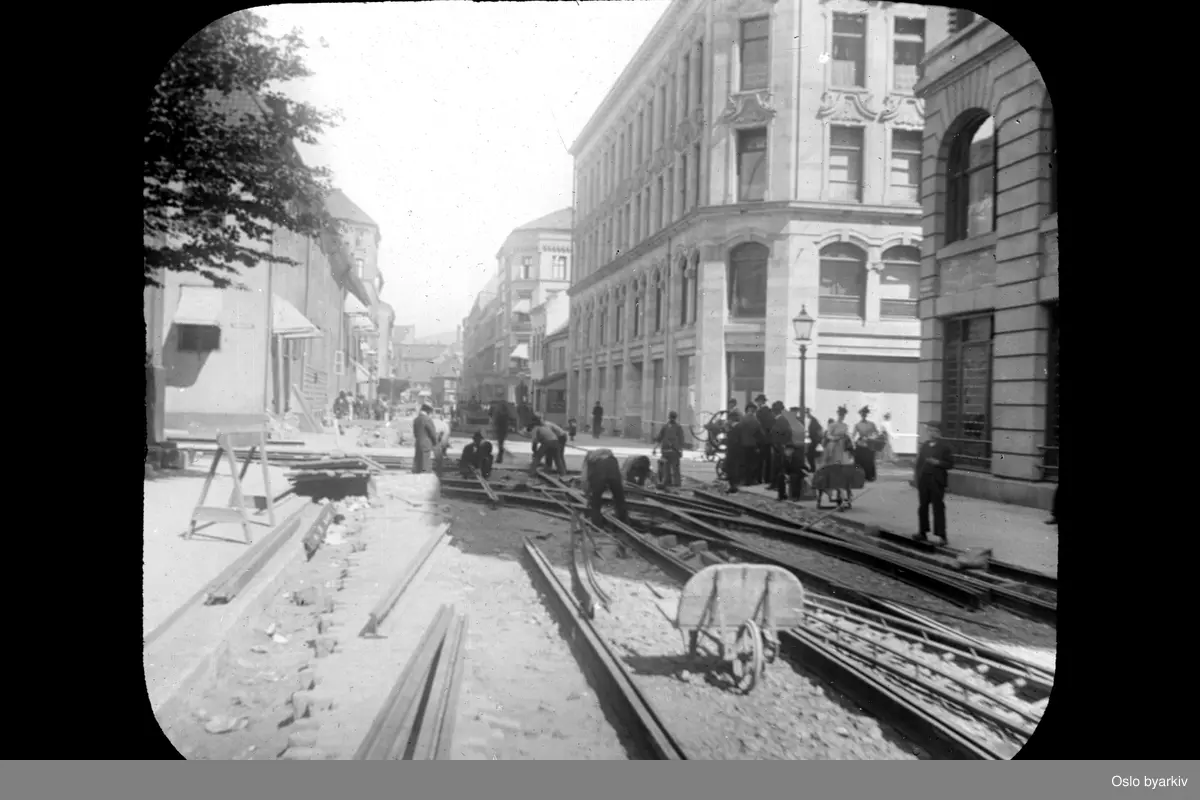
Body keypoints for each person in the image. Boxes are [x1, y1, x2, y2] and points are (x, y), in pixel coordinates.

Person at [915, 421, 955, 544]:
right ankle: (922, 532)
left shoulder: (945, 446)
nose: (931, 433)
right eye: (930, 430)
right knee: (923, 507)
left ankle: (942, 536)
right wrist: (917, 478)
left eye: (934, 430)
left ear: (939, 432)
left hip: (937, 481)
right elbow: (919, 463)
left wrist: (938, 463)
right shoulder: (925, 445)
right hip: (924, 480)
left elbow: (950, 464)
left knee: (938, 507)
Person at [580, 448, 630, 526]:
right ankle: (624, 521)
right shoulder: (612, 458)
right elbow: (620, 475)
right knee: (619, 499)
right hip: (614, 474)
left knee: (595, 500)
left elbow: (584, 477)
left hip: (599, 475)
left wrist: (587, 492)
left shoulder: (590, 460)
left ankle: (596, 523)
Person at [822, 406, 854, 508]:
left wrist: (844, 440)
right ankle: (835, 492)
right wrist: (835, 438)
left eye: (843, 415)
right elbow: (828, 435)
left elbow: (846, 437)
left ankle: (842, 493)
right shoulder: (832, 425)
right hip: (833, 446)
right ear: (838, 414)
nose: (842, 416)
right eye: (840, 414)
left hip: (841, 447)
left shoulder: (845, 425)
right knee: (832, 466)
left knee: (842, 468)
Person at [727, 404, 763, 493]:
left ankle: (743, 480)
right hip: (753, 444)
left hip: (743, 445)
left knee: (743, 463)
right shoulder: (756, 421)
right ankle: (750, 480)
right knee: (752, 463)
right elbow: (759, 433)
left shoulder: (743, 420)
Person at [653, 410, 686, 487]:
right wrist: (681, 450)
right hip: (674, 452)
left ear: (669, 417)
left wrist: (654, 449)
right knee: (675, 469)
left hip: (666, 451)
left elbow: (659, 439)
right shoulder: (678, 427)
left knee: (666, 469)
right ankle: (676, 484)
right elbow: (681, 440)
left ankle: (668, 483)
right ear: (676, 418)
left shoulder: (665, 426)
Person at [770, 403, 796, 499]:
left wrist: (781, 445)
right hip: (778, 448)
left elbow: (786, 433)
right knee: (779, 469)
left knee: (780, 469)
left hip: (780, 449)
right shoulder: (779, 420)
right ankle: (779, 490)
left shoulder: (782, 420)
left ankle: (781, 492)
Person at [852, 406, 881, 483]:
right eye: (862, 414)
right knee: (859, 460)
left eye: (865, 413)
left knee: (869, 460)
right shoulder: (857, 424)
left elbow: (877, 433)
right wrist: (854, 442)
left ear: (866, 414)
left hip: (869, 444)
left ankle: (869, 476)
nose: (863, 415)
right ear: (860, 415)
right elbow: (853, 435)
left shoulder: (871, 424)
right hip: (860, 444)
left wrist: (870, 438)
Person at [411, 404, 439, 474]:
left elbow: (415, 433)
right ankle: (424, 475)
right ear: (428, 412)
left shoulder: (416, 419)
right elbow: (432, 433)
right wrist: (435, 443)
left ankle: (417, 475)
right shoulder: (427, 419)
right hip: (426, 443)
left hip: (418, 443)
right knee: (425, 462)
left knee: (418, 460)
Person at [755, 396, 777, 486]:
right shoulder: (770, 411)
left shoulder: (759, 412)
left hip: (761, 439)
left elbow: (758, 426)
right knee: (768, 460)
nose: (757, 403)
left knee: (760, 460)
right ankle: (768, 478)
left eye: (758, 402)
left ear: (760, 402)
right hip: (769, 439)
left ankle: (759, 478)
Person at [805, 409, 823, 475]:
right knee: (810, 455)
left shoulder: (814, 420)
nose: (806, 415)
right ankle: (813, 468)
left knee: (809, 455)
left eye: (807, 413)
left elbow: (819, 430)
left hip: (815, 441)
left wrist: (819, 440)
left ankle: (813, 468)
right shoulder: (812, 420)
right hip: (814, 440)